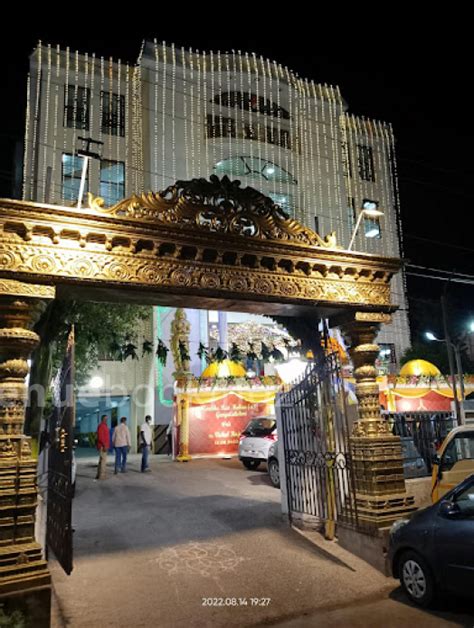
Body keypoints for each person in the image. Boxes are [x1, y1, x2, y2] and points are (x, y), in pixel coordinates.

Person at [96, 415, 110, 480]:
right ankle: (102, 476)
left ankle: (98, 475)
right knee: (103, 461)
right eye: (105, 419)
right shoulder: (101, 426)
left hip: (104, 445)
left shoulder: (104, 426)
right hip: (103, 446)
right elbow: (100, 437)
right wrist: (104, 445)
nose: (106, 420)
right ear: (102, 419)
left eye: (107, 419)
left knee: (101, 461)